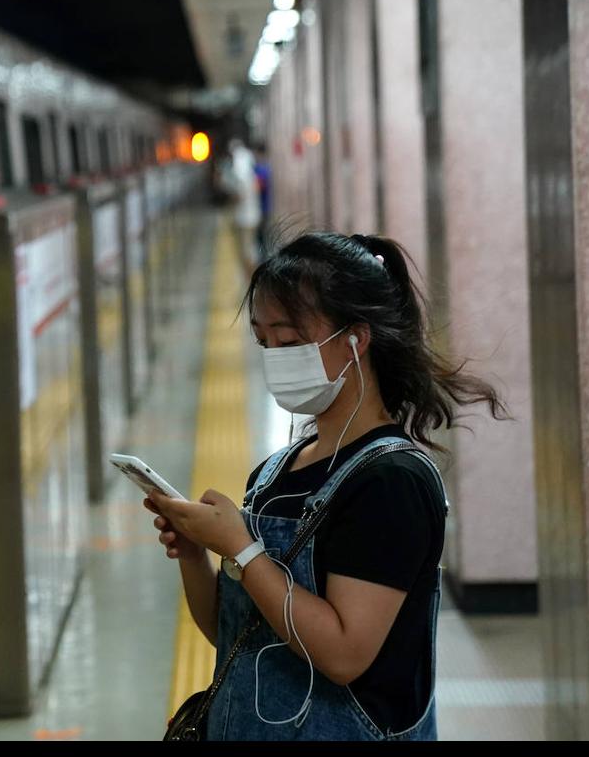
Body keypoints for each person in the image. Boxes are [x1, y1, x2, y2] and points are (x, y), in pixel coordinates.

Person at [147, 233, 507, 740]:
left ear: (356, 339)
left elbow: (343, 654)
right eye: (263, 341)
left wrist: (242, 550)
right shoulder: (276, 472)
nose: (274, 357)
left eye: (290, 341)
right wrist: (194, 554)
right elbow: (237, 635)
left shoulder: (392, 483)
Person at [223, 140, 262, 277]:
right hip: (253, 216)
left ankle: (250, 276)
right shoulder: (251, 175)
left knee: (247, 250)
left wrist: (230, 194)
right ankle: (251, 275)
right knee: (251, 247)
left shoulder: (242, 177)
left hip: (246, 219)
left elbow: (239, 197)